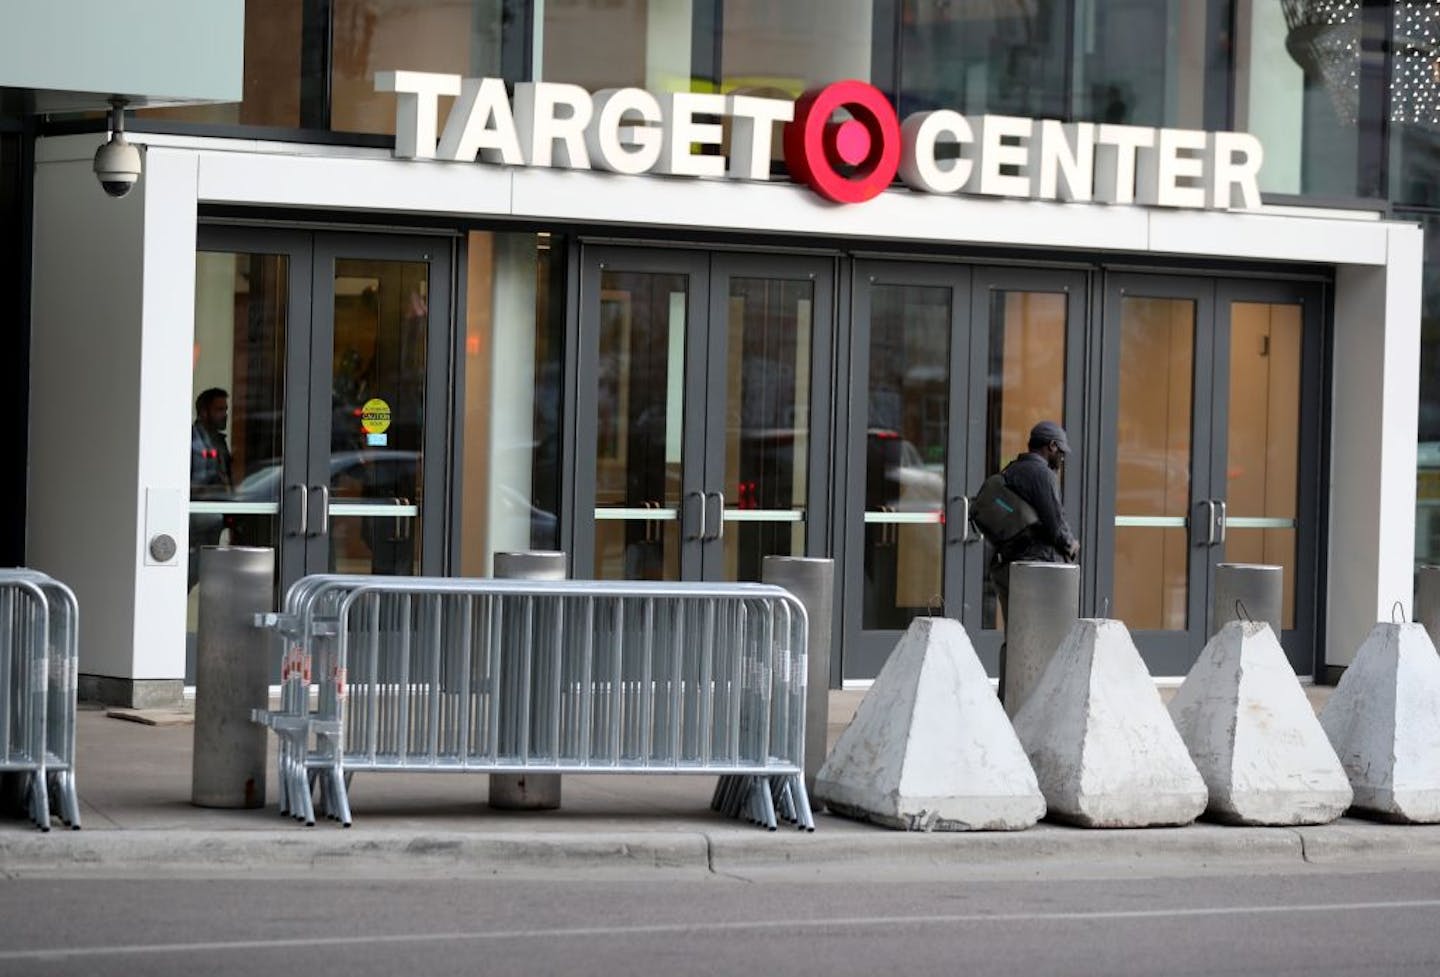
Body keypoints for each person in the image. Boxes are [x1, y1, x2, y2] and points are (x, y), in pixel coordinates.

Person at [989, 420, 1080, 695]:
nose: (1061, 458)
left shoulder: (1012, 470)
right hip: (1036, 570)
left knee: (1015, 637)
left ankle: (1009, 701)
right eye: (1060, 452)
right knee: (1045, 638)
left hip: (1007, 565)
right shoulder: (1042, 474)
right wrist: (1070, 544)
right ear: (1051, 446)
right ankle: (1034, 702)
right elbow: (1054, 523)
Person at [188, 387, 232, 590]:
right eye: (219, 409)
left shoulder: (218, 440)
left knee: (205, 569)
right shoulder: (193, 440)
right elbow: (195, 483)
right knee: (195, 569)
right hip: (200, 514)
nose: (225, 415)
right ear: (204, 412)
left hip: (216, 514)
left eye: (226, 409)